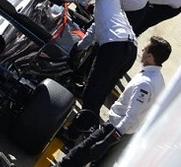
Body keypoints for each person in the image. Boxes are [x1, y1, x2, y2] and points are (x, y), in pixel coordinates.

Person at [45, 0, 138, 143]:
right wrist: (78, 48)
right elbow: (95, 30)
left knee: (91, 92)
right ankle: (88, 132)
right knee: (99, 93)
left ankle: (74, 134)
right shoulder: (112, 6)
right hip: (129, 50)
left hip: (114, 47)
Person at [56, 36, 172, 167]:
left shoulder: (145, 84)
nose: (143, 49)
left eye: (146, 49)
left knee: (75, 157)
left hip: (115, 129)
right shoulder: (159, 80)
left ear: (150, 57)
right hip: (127, 134)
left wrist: (107, 140)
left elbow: (131, 117)